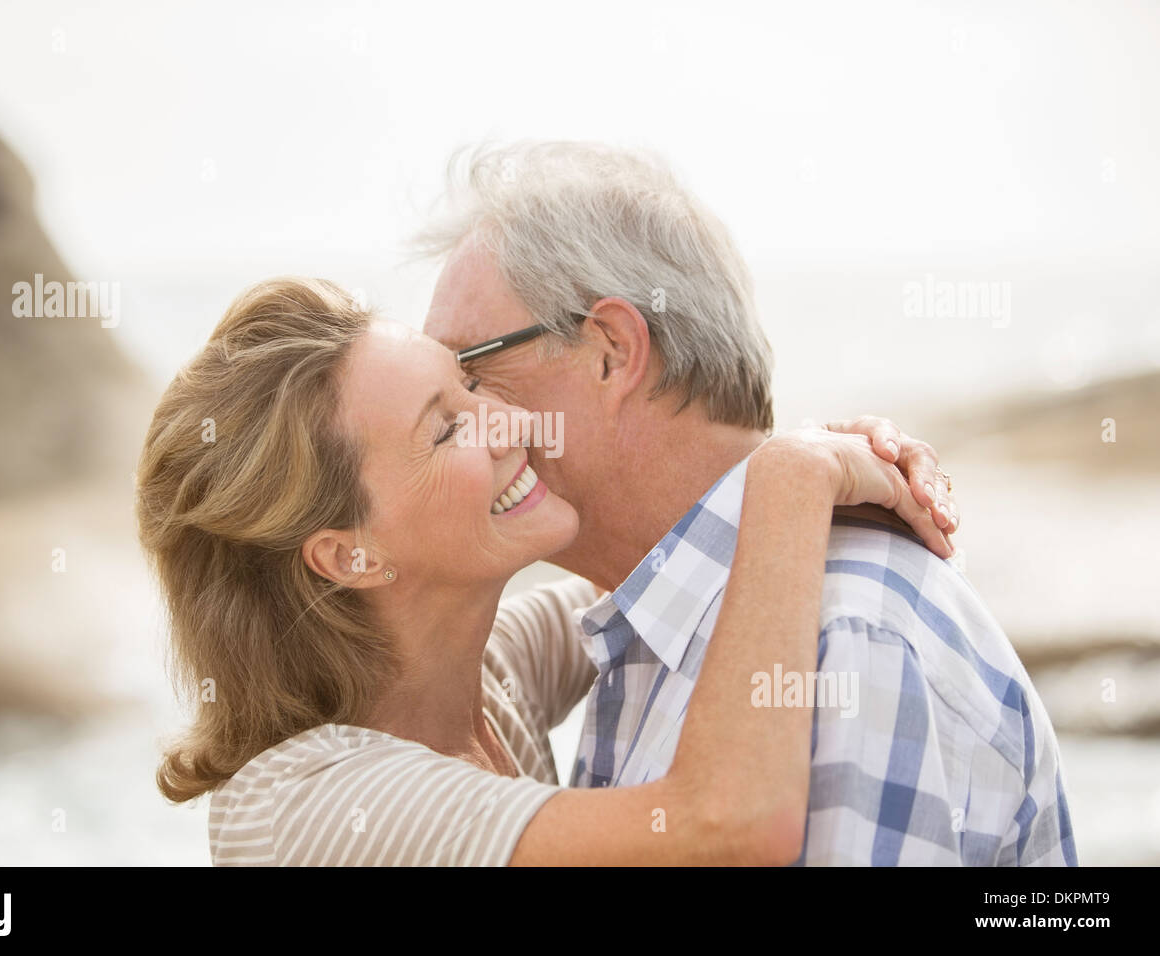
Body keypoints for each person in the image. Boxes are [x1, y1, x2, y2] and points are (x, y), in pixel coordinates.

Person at [136, 277, 955, 865]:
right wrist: (792, 476)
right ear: (350, 554)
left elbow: (670, 575)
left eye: (470, 382)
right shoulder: (311, 808)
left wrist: (823, 456)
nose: (509, 423)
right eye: (448, 428)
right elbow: (730, 829)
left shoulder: (487, 683)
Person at [419, 141, 1077, 865]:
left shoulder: (846, 637)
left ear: (610, 350)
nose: (462, 421)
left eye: (470, 372)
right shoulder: (657, 608)